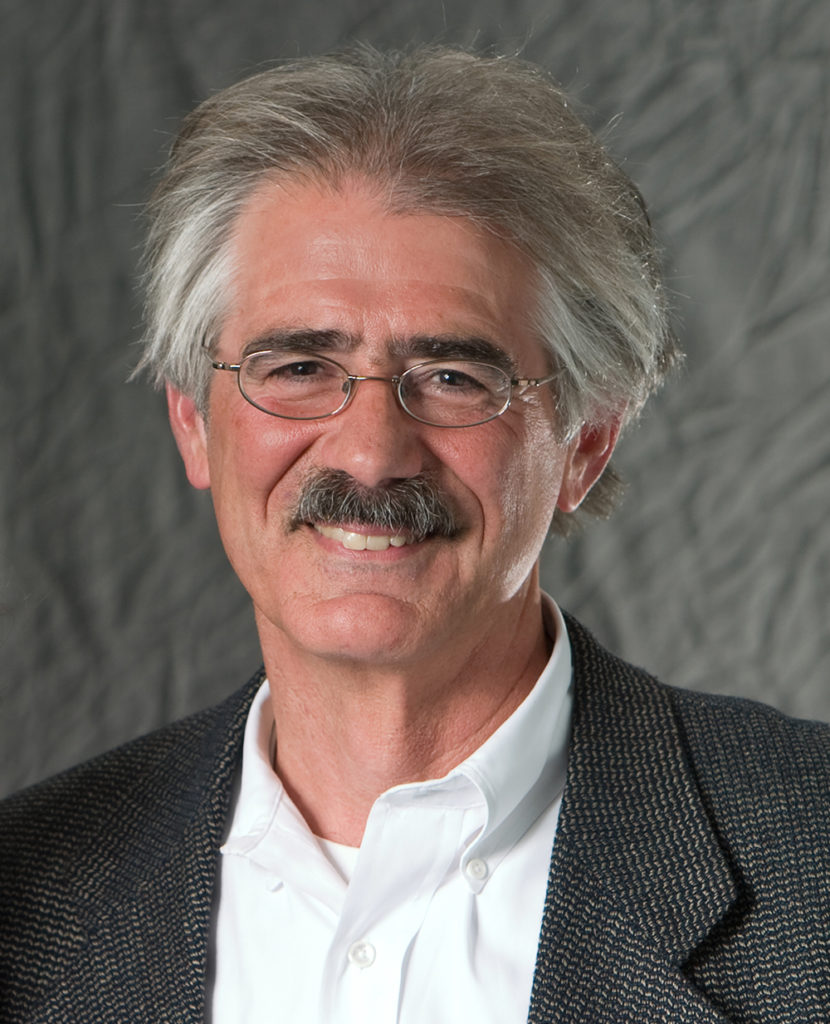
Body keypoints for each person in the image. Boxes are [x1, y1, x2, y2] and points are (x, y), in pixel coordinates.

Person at [1, 44, 828, 1024]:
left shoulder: (808, 859)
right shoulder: (27, 897)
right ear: (193, 422)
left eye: (451, 377)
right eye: (300, 366)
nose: (369, 453)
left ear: (584, 442)